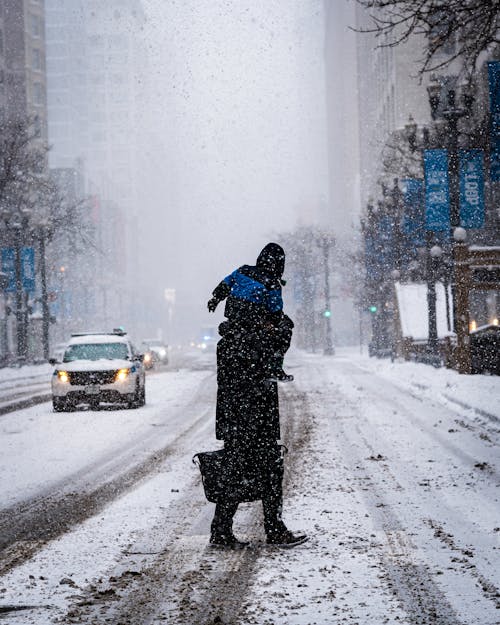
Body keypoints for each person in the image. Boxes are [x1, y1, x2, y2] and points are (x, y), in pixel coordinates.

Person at [208, 248, 307, 549]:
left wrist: (216, 298)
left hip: (232, 417)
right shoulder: (262, 334)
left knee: (235, 469)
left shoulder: (227, 343)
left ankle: (222, 530)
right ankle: (273, 529)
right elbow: (278, 319)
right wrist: (275, 331)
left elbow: (223, 286)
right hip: (258, 414)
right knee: (268, 466)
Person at [207, 242, 294, 382]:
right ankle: (275, 367)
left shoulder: (242, 271)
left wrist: (215, 299)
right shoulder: (272, 282)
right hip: (256, 324)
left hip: (235, 322)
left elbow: (226, 283)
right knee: (286, 329)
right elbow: (275, 311)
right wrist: (279, 321)